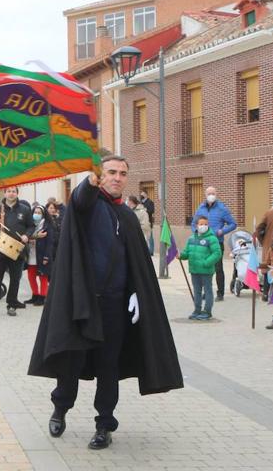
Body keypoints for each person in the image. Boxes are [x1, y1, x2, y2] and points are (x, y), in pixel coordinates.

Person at [28, 156, 183, 451]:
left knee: (108, 366)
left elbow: (135, 262)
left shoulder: (126, 216)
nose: (117, 177)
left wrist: (135, 292)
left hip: (115, 305)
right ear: (100, 175)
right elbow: (81, 199)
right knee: (71, 361)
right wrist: (90, 181)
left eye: (123, 173)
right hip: (82, 302)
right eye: (111, 172)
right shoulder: (86, 206)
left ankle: (104, 425)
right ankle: (61, 407)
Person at [0, 186, 35, 317]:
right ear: (4, 193)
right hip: (0, 249)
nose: (11, 194)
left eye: (13, 191)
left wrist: (27, 235)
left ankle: (12, 305)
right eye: (9, 191)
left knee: (15, 279)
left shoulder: (25, 210)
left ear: (17, 194)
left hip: (17, 249)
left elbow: (31, 226)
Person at [191, 186, 237, 302]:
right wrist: (197, 231)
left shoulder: (222, 208)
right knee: (205, 268)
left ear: (216, 195)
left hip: (216, 242)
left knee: (218, 268)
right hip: (203, 242)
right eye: (209, 193)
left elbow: (233, 224)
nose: (211, 195)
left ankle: (220, 293)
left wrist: (222, 231)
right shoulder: (201, 208)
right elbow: (193, 223)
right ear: (205, 195)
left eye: (213, 193)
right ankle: (206, 292)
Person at [178, 216, 222, 320]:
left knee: (207, 291)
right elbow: (187, 253)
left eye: (206, 224)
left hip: (206, 270)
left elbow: (217, 253)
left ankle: (207, 311)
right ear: (196, 225)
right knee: (196, 291)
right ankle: (197, 310)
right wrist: (181, 255)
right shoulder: (191, 239)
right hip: (194, 270)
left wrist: (206, 263)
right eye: (201, 224)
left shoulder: (212, 238)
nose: (203, 226)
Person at [23, 205, 50, 307]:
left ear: (43, 215)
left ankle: (42, 297)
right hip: (31, 254)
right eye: (35, 212)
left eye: (39, 213)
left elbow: (49, 242)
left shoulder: (47, 225)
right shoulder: (30, 225)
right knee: (31, 276)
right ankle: (35, 295)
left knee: (43, 276)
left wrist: (47, 256)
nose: (37, 215)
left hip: (42, 255)